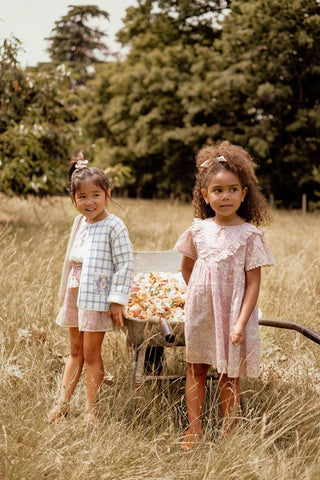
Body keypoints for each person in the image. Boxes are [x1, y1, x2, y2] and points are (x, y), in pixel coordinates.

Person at [174, 141, 275, 450]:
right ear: (205, 195)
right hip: (202, 311)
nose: (225, 196)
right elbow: (187, 269)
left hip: (234, 315)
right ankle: (194, 430)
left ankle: (229, 433)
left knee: (229, 373)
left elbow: (253, 284)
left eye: (233, 189)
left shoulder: (249, 235)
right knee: (197, 367)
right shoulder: (198, 231)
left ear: (244, 193)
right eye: (218, 190)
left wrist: (240, 322)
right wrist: (198, 299)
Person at [46, 152, 134, 425]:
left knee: (92, 353)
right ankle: (61, 404)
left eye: (95, 195)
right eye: (81, 196)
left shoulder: (113, 226)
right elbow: (72, 259)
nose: (89, 202)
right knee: (74, 350)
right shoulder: (79, 223)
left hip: (97, 297)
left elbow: (126, 263)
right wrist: (65, 292)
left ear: (107, 194)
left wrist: (117, 299)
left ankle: (90, 409)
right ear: (73, 199)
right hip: (76, 292)